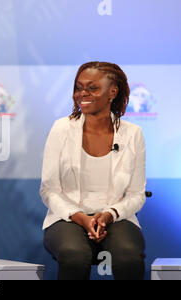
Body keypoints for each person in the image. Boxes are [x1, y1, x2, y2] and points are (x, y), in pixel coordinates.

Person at [40, 61, 146, 280]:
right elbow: (49, 190)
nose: (83, 94)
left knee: (128, 254)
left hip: (117, 217)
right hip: (67, 217)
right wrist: (80, 217)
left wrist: (109, 214)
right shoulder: (61, 129)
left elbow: (136, 195)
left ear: (112, 92)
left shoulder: (133, 134)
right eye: (79, 88)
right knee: (74, 254)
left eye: (92, 88)